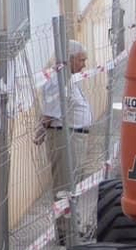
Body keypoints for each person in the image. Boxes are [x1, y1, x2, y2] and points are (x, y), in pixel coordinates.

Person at [38, 39, 94, 195]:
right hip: (65, 138)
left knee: (73, 184)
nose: (84, 65)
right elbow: (49, 112)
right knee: (65, 186)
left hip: (74, 137)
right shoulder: (57, 80)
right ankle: (65, 219)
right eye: (81, 60)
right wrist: (41, 131)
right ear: (69, 59)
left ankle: (70, 218)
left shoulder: (69, 78)